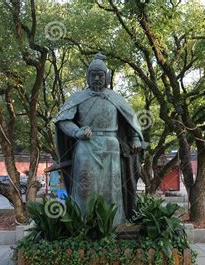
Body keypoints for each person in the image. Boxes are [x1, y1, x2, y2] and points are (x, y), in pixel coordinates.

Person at [54, 53, 144, 225]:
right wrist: (76, 132)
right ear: (87, 76)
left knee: (112, 189)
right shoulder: (77, 98)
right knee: (85, 188)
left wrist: (134, 137)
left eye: (100, 75)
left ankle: (114, 224)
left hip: (111, 147)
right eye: (93, 74)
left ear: (107, 77)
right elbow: (62, 120)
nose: (96, 78)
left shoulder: (116, 98)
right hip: (85, 147)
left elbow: (130, 119)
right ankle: (83, 225)